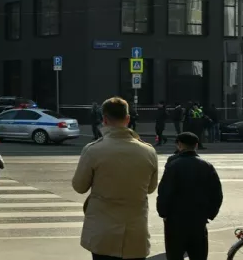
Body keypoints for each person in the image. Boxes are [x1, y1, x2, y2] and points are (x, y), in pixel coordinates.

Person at [72, 97, 158, 260]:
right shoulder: (148, 151)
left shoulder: (93, 150)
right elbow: (150, 188)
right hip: (135, 233)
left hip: (102, 234)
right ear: (127, 119)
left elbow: (79, 186)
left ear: (104, 119)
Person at [156, 132, 223, 260]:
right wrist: (209, 214)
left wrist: (163, 213)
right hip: (198, 220)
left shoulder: (173, 165)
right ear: (196, 145)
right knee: (198, 255)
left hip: (175, 221)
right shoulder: (206, 166)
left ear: (179, 145)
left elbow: (164, 192)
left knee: (174, 255)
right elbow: (216, 194)